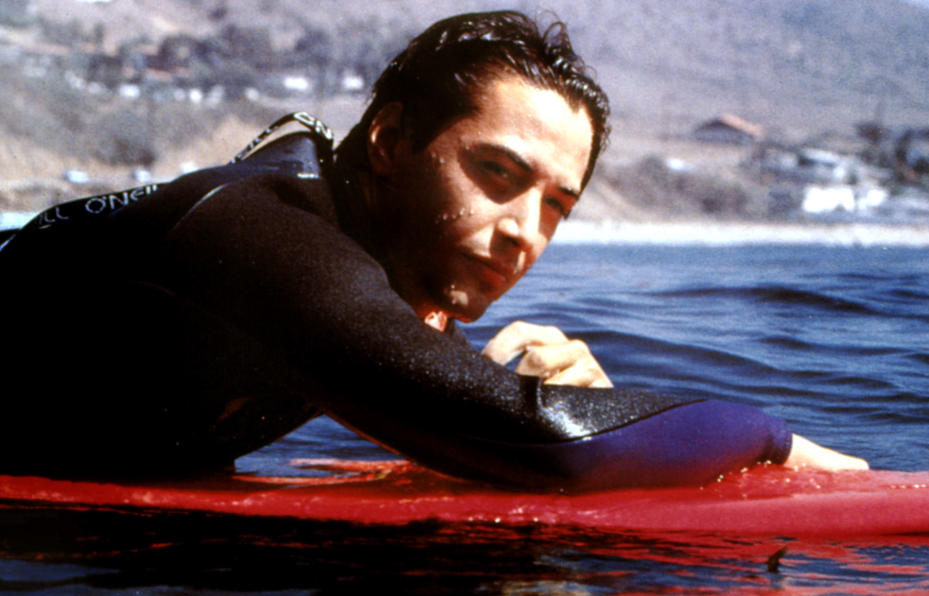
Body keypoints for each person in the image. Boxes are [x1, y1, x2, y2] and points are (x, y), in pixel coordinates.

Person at [0, 11, 866, 488]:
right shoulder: (263, 238)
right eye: (497, 173)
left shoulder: (359, 271)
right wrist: (770, 436)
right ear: (388, 141)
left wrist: (525, 393)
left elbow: (506, 423)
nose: (527, 228)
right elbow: (558, 446)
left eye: (557, 205)